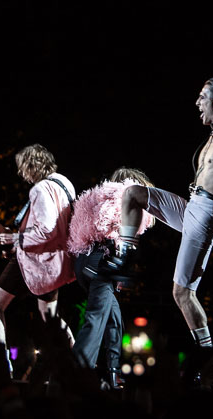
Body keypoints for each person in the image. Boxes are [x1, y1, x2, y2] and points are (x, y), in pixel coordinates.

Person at [107, 76, 213, 388]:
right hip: (192, 206)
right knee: (133, 193)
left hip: (207, 215)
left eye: (203, 97)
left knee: (182, 293)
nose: (197, 103)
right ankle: (125, 258)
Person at [0, 144, 76, 379]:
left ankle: (2, 366)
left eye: (22, 168)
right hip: (56, 263)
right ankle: (79, 361)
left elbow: (46, 230)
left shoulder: (39, 190)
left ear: (31, 165)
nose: (21, 174)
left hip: (34, 261)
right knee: (51, 318)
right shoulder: (65, 183)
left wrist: (18, 239)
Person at [67, 167, 155, 390]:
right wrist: (120, 262)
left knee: (114, 320)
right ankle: (76, 374)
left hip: (84, 262)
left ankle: (113, 372)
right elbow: (113, 229)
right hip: (101, 262)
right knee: (96, 319)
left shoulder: (97, 197)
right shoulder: (125, 196)